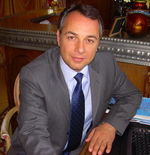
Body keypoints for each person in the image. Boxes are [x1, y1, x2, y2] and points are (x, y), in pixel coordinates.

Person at [8, 3, 142, 155]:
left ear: (98, 43)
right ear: (59, 38)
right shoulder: (34, 75)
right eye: (72, 37)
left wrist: (110, 125)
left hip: (82, 150)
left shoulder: (107, 65)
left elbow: (132, 95)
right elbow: (34, 135)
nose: (80, 49)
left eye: (90, 40)